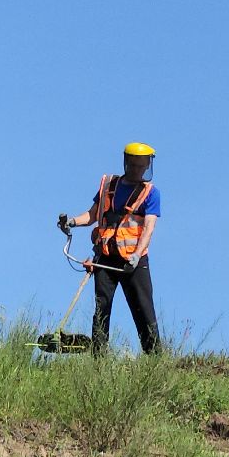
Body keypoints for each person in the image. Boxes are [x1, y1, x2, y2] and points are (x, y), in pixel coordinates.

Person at [58, 142, 161, 354]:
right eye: (134, 165)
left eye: (142, 166)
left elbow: (148, 228)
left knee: (143, 309)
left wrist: (136, 255)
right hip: (105, 257)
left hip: (133, 261)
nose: (138, 169)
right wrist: (72, 222)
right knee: (101, 307)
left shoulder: (150, 193)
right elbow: (92, 215)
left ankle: (154, 356)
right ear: (127, 162)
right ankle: (99, 356)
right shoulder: (108, 185)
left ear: (147, 166)